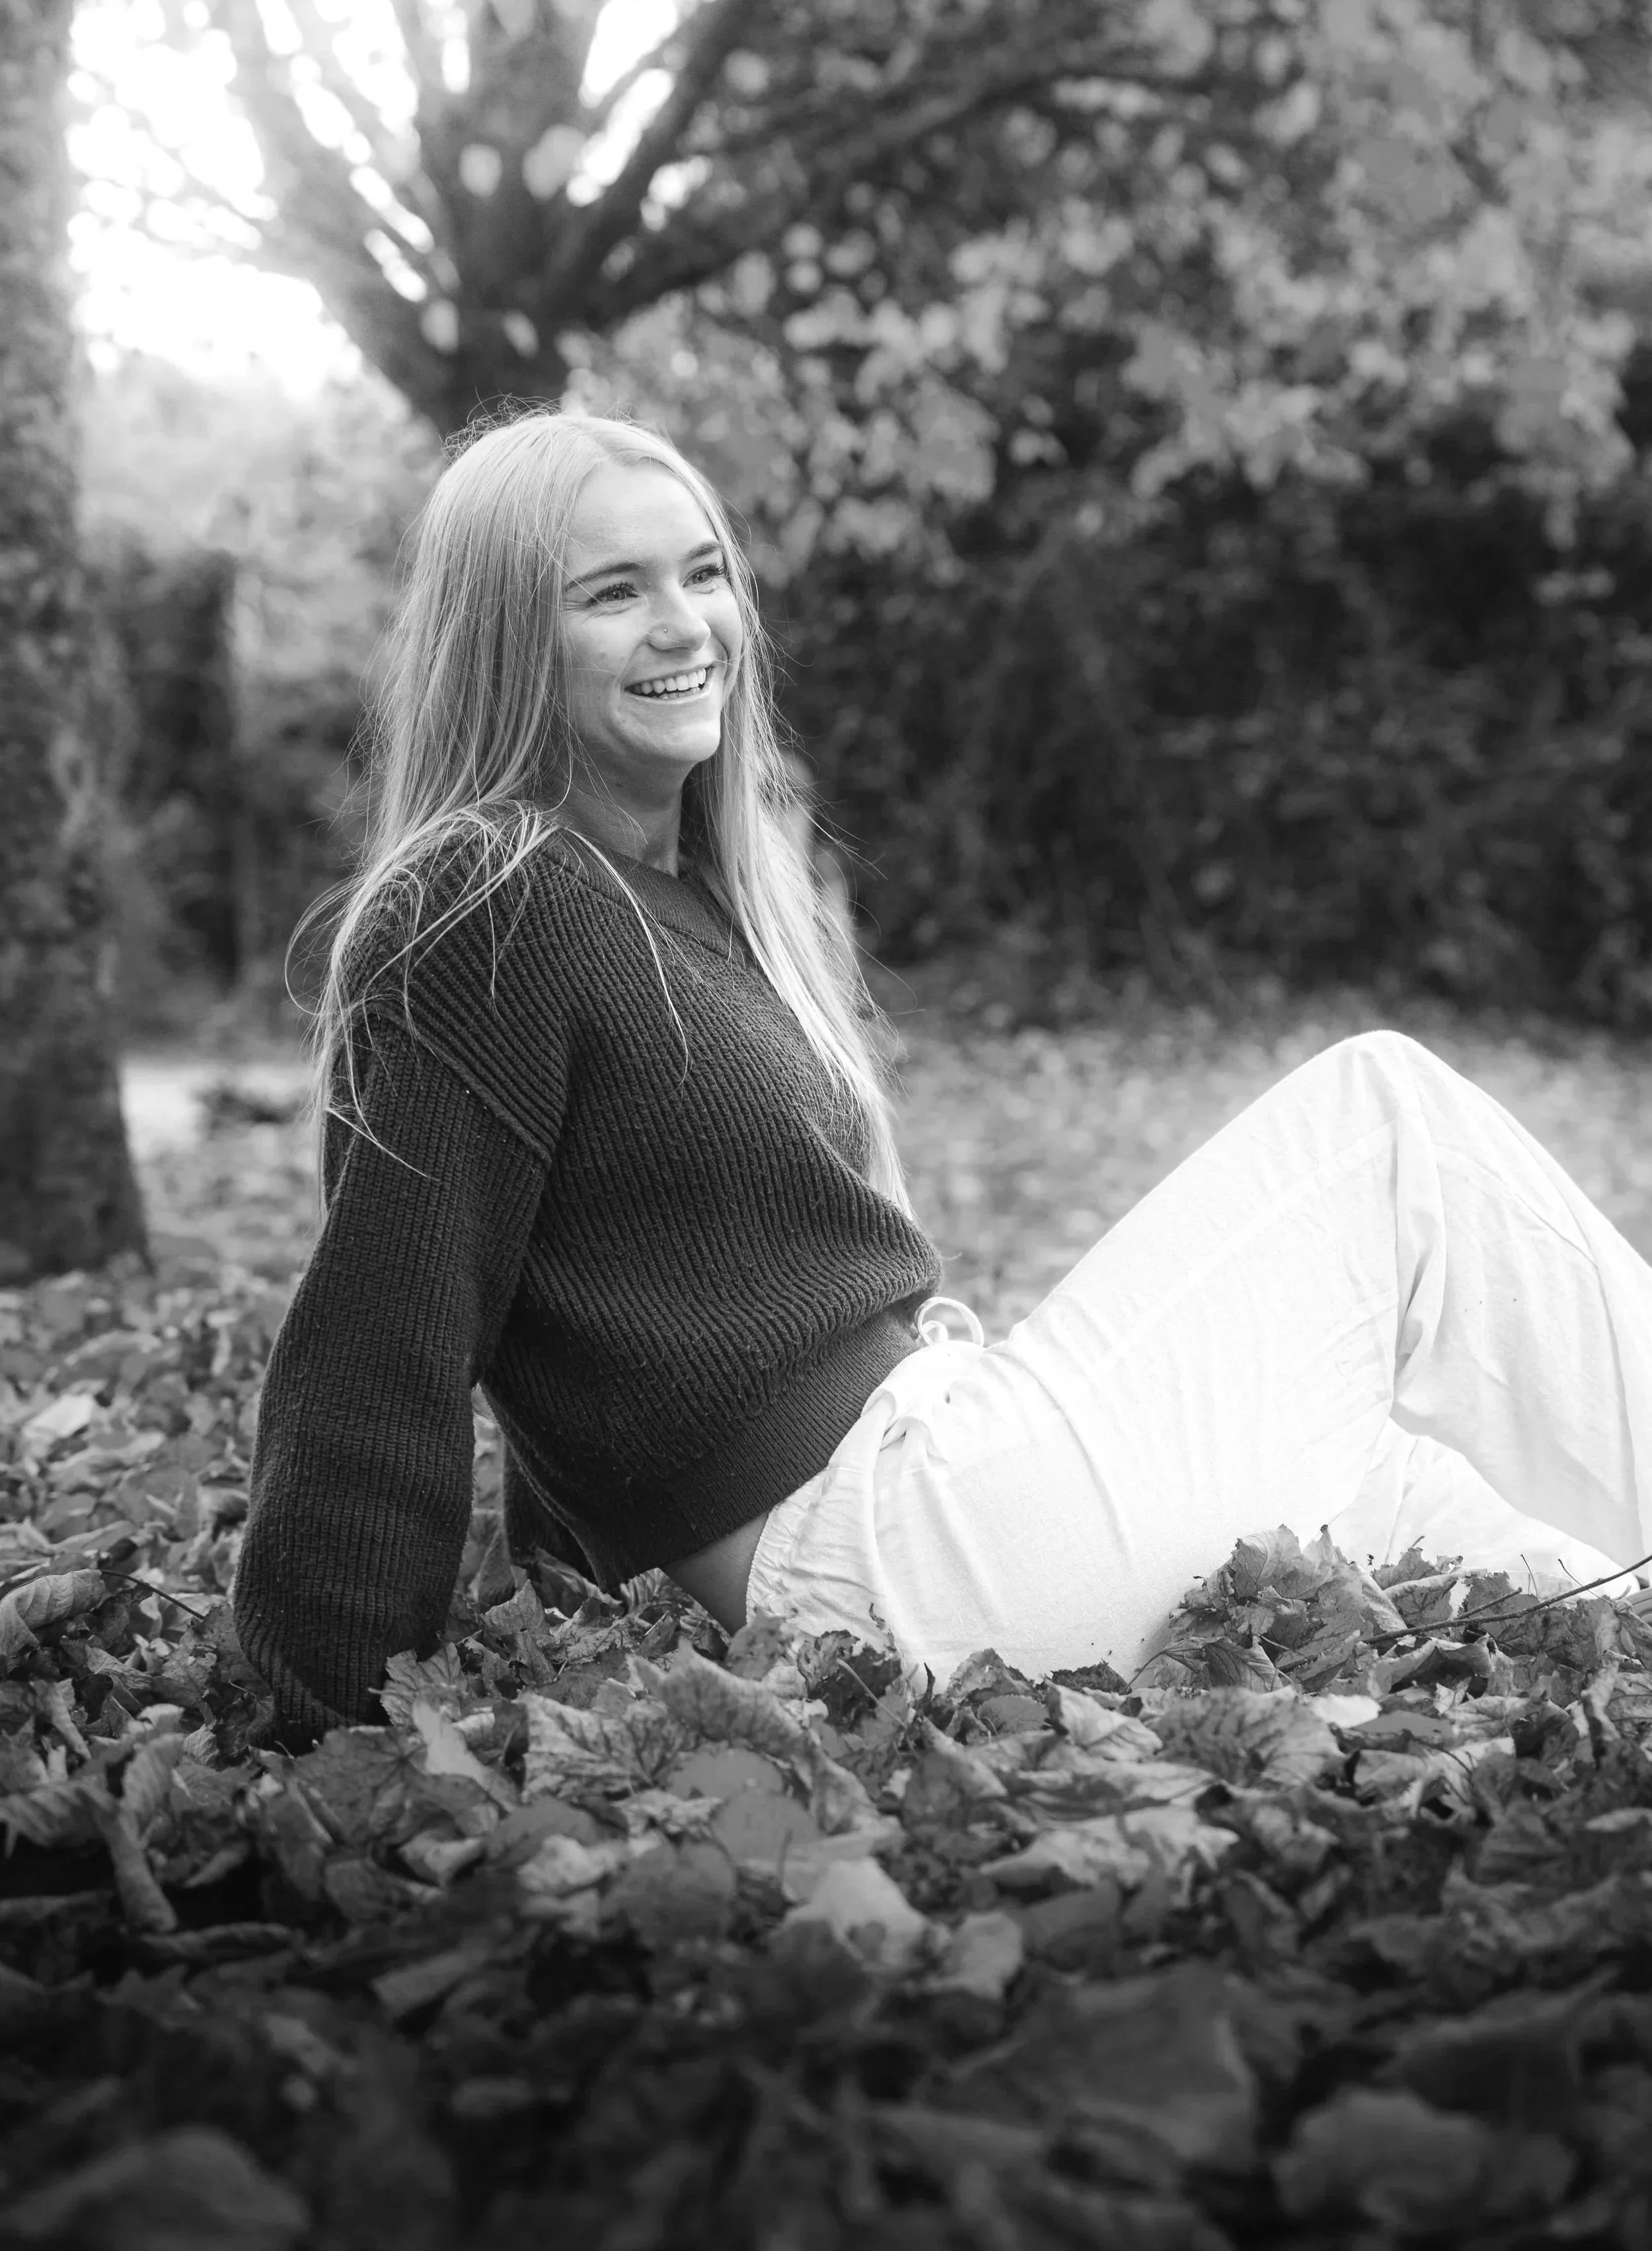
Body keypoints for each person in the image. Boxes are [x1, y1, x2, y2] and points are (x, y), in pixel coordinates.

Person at [235, 407, 1650, 1745]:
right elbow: (389, 1330)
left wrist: (568, 1577)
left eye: (703, 574)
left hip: (927, 1515)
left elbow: (594, 1326)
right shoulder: (487, 900)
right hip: (894, 1550)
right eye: (610, 592)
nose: (684, 626)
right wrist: (329, 1726)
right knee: (1386, 1122)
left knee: (1447, 1504)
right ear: (504, 641)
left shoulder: (674, 902)